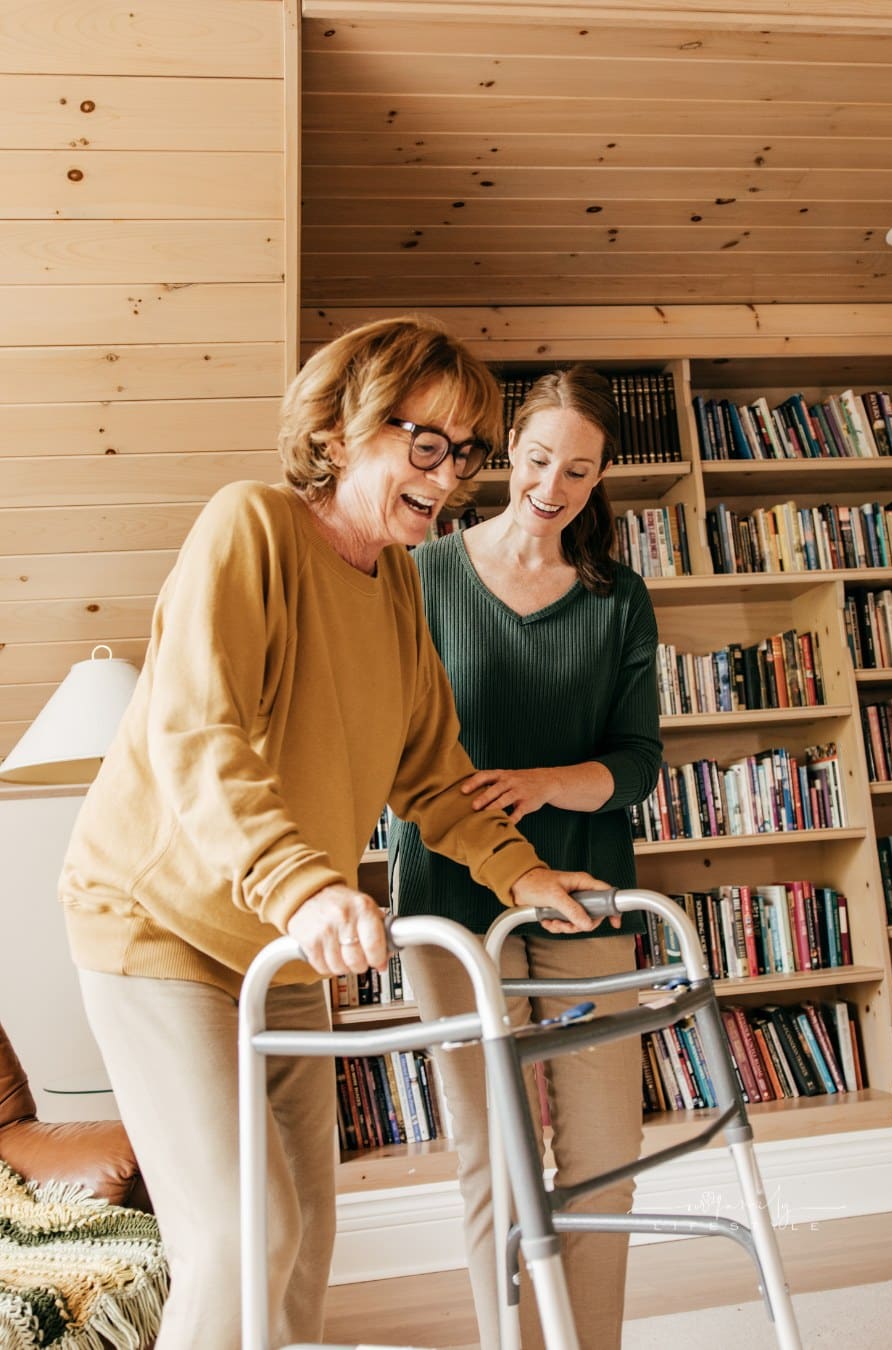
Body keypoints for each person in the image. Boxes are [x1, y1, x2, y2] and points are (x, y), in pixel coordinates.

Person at [57, 317, 612, 1350]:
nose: (450, 477)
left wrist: (521, 872)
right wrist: (307, 887)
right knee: (238, 1238)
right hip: (161, 930)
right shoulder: (250, 528)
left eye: (469, 453)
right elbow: (197, 736)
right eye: (427, 442)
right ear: (345, 425)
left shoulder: (399, 579)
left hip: (281, 941)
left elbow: (432, 773)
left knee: (305, 1238)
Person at [390, 364, 663, 1349]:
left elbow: (638, 763)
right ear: (508, 453)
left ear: (600, 478)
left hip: (583, 900)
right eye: (540, 460)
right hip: (452, 903)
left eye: (579, 472)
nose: (553, 488)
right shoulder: (421, 574)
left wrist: (548, 782)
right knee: (495, 1155)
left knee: (601, 1150)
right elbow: (388, 743)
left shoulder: (616, 597)